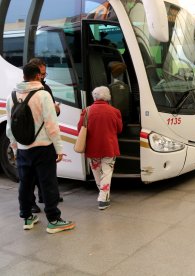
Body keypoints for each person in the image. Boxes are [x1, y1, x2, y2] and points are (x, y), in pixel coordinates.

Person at [6, 63, 75, 233]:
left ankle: (27, 217)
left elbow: (10, 128)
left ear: (24, 76)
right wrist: (59, 149)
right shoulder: (43, 95)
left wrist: (15, 149)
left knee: (25, 184)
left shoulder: (12, 96)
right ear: (37, 76)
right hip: (43, 148)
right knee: (48, 184)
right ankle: (53, 220)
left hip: (23, 148)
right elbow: (52, 126)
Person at [77, 86, 122, 210]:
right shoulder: (115, 111)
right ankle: (103, 198)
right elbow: (119, 129)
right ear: (107, 97)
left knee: (97, 172)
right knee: (107, 172)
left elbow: (79, 128)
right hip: (109, 147)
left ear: (94, 96)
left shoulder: (87, 111)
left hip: (92, 148)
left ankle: (103, 194)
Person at [28, 58, 63, 214]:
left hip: (31, 139)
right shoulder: (42, 91)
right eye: (42, 73)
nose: (43, 76)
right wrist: (58, 147)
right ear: (35, 74)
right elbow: (51, 120)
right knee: (34, 175)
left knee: (38, 174)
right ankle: (34, 204)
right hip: (38, 139)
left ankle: (42, 197)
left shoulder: (20, 90)